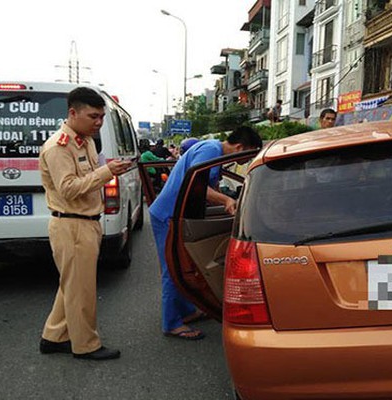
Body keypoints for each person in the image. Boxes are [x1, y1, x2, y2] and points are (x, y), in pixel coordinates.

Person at [39, 87, 132, 361]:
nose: (99, 122)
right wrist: (106, 172)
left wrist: (107, 169)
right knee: (82, 290)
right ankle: (86, 345)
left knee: (72, 285)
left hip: (86, 223)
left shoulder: (86, 141)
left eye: (102, 117)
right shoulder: (59, 146)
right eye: (93, 116)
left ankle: (53, 336)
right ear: (73, 113)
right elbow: (68, 189)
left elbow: (89, 177)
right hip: (72, 225)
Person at [149, 126, 263, 340]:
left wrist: (225, 202)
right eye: (247, 155)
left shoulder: (214, 152)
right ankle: (172, 323)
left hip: (178, 213)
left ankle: (187, 311)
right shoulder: (210, 150)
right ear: (239, 147)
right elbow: (194, 186)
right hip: (167, 214)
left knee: (184, 263)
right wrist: (227, 200)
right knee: (173, 267)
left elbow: (211, 188)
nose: (246, 161)